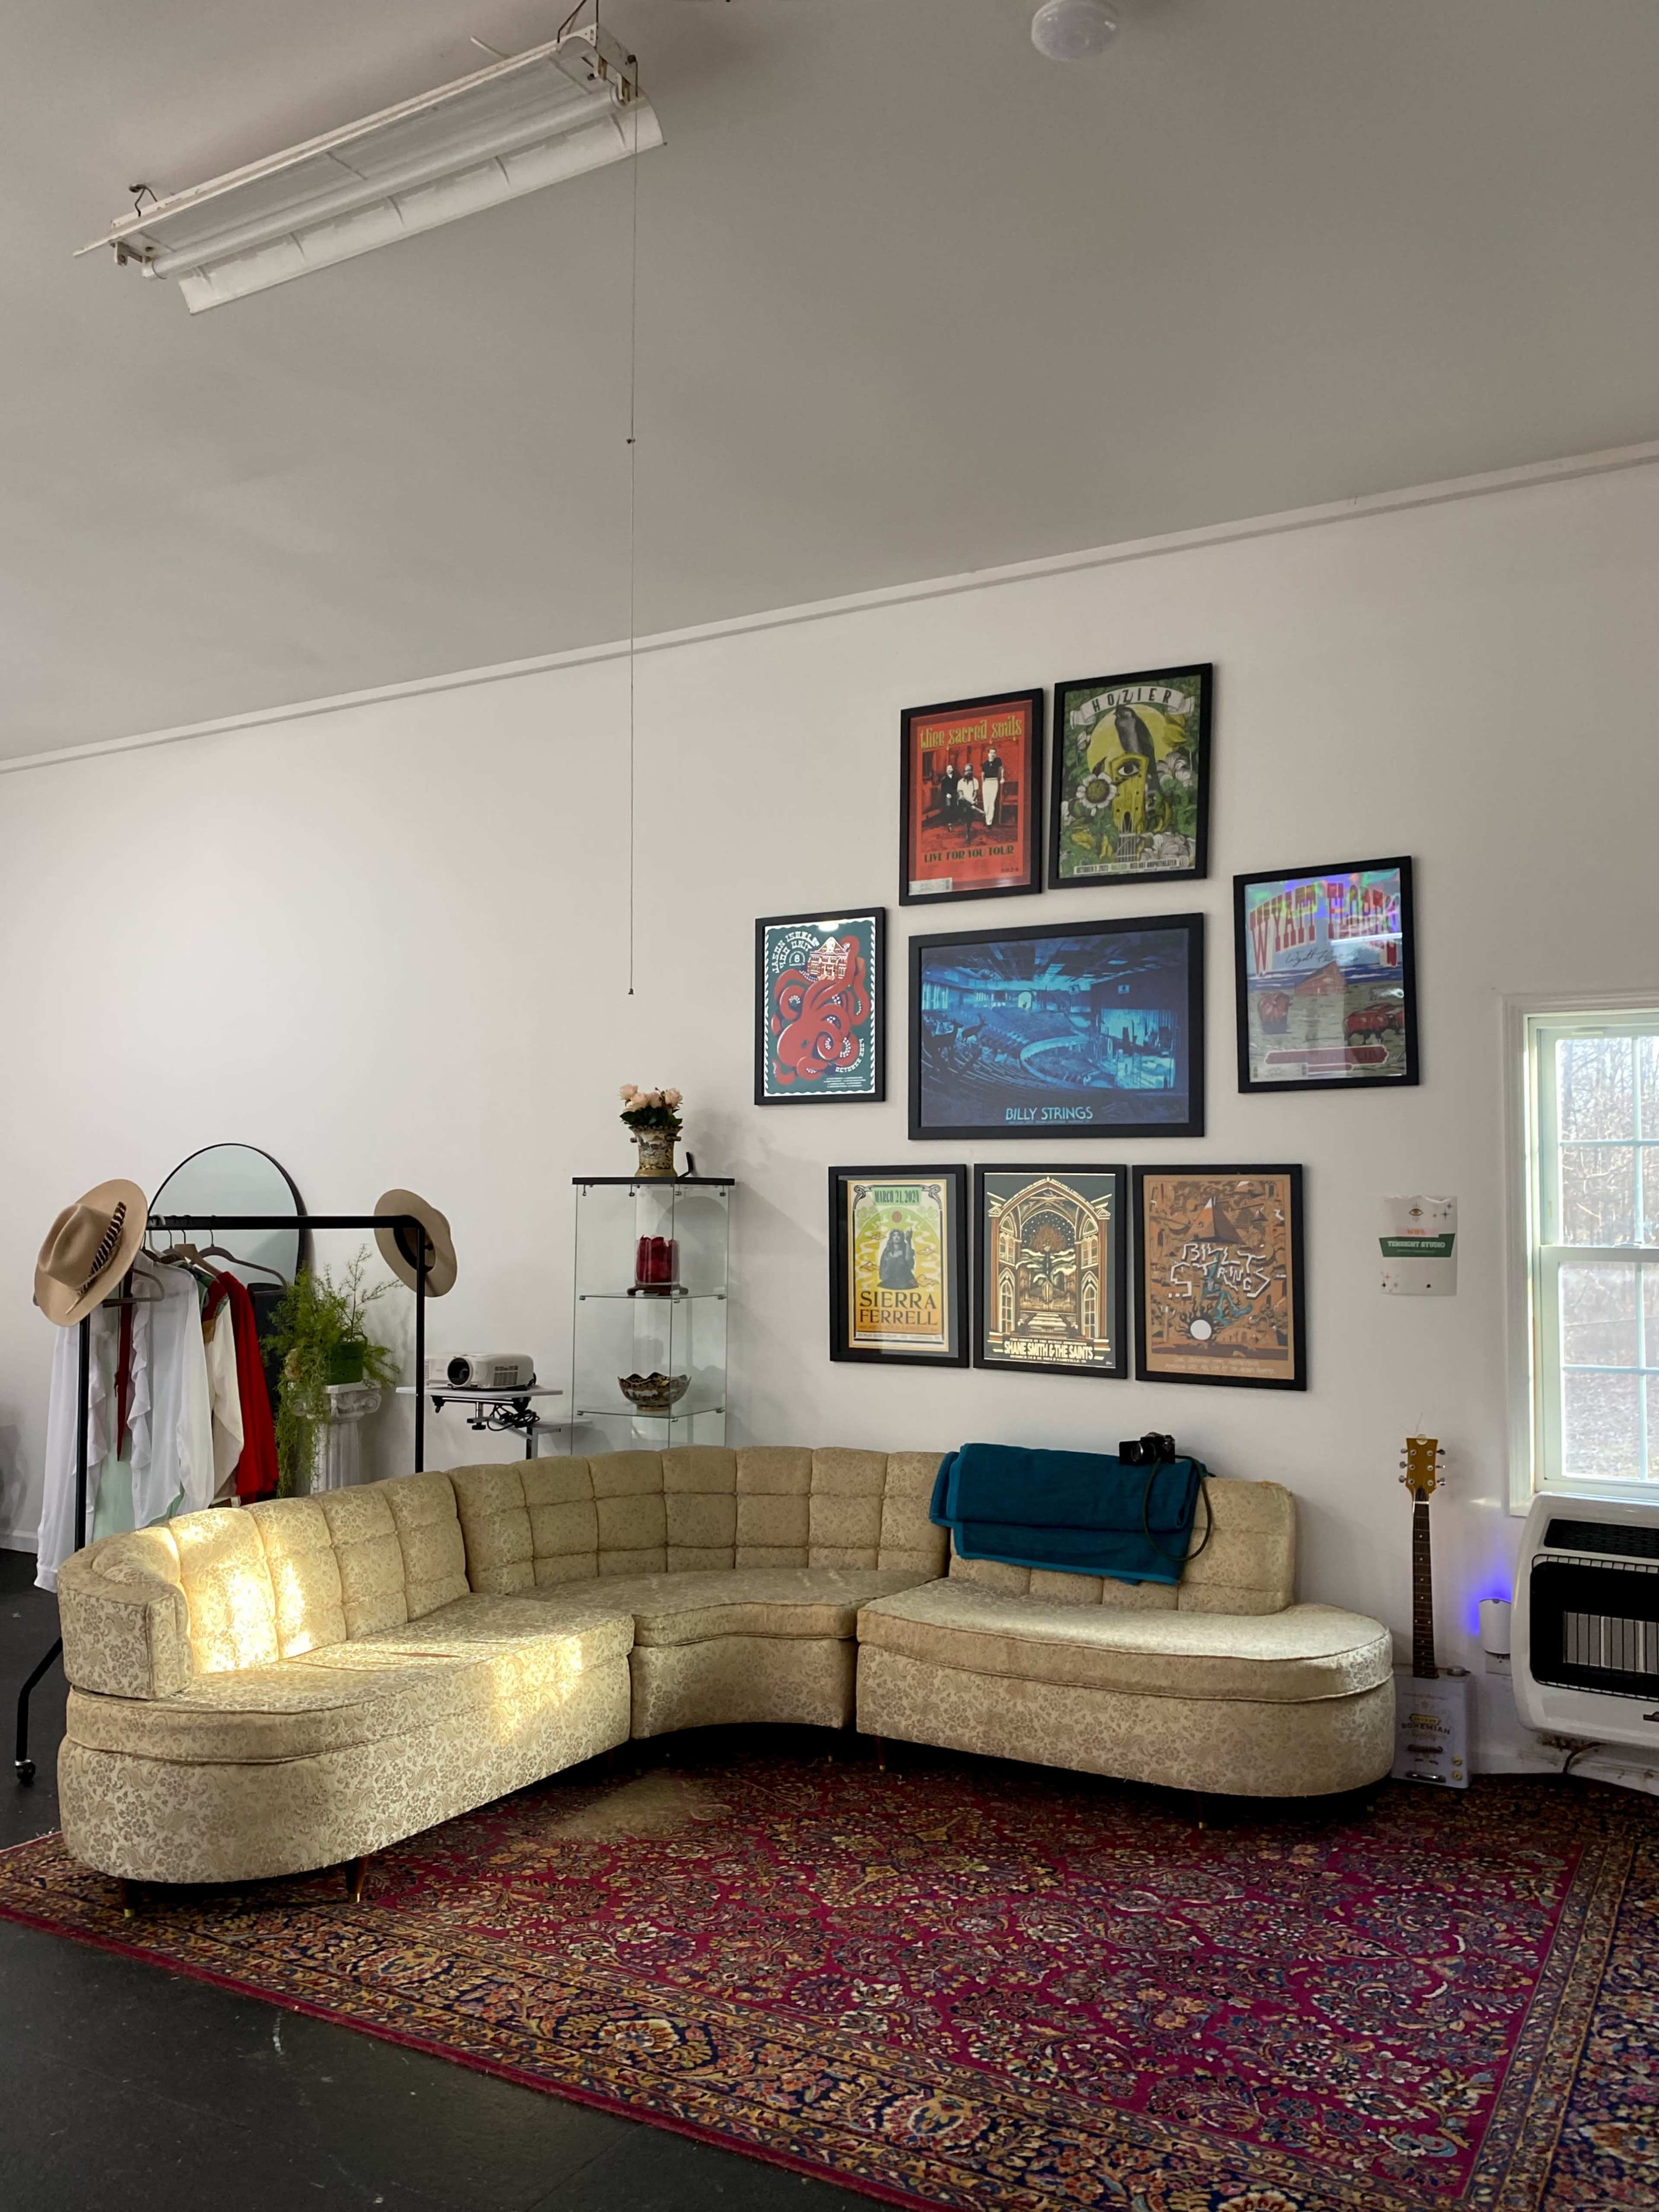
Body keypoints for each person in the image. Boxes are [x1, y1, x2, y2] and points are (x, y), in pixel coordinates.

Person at [981, 744, 1002, 827]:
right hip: (986, 783)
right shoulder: (985, 764)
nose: (993, 754)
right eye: (991, 753)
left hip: (994, 782)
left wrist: (1002, 778)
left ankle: (989, 823)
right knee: (986, 803)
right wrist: (983, 784)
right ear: (988, 754)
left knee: (992, 803)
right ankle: (986, 820)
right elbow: (982, 775)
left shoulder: (998, 761)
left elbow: (1001, 769)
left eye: (994, 753)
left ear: (996, 754)